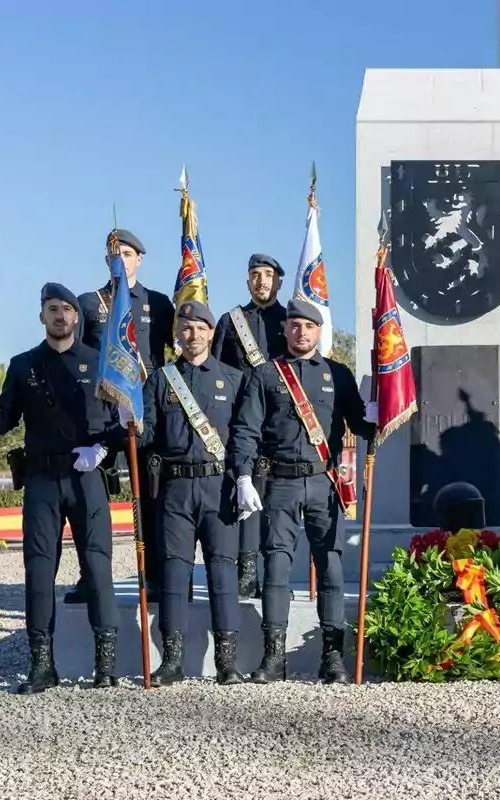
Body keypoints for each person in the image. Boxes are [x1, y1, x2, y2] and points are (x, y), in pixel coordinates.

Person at [228, 300, 378, 684]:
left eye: (308, 326)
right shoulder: (264, 375)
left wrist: (377, 416)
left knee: (330, 567)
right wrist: (243, 477)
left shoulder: (336, 373)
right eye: (294, 325)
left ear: (318, 331)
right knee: (276, 568)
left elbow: (359, 423)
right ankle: (273, 657)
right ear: (286, 329)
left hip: (323, 484)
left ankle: (333, 657)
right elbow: (245, 431)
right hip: (280, 483)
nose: (301, 332)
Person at [0, 282, 120, 694]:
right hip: (42, 480)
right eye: (51, 309)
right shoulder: (23, 365)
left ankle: (106, 665)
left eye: (66, 309)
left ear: (76, 318)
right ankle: (42, 665)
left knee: (98, 567)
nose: (60, 315)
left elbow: (123, 422)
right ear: (41, 316)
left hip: (86, 477)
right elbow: (2, 422)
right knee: (39, 570)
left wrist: (102, 451)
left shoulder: (100, 362)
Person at [140, 300, 248, 686]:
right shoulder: (160, 380)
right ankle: (171, 660)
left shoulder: (234, 379)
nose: (193, 335)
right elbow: (148, 433)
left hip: (218, 489)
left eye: (200, 328)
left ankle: (227, 662)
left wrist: (245, 478)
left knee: (222, 571)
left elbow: (244, 437)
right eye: (186, 328)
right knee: (174, 573)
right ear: (177, 334)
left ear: (211, 334)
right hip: (175, 490)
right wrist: (131, 423)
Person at [67, 229, 175, 605]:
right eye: (115, 252)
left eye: (128, 253)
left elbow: (170, 359)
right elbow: (78, 358)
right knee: (90, 502)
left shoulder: (159, 304)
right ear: (106, 258)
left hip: (145, 415)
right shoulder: (88, 302)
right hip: (100, 415)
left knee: (151, 499)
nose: (121, 258)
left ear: (139, 259)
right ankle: (91, 576)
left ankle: (156, 577)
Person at [212, 253, 289, 601]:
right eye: (255, 275)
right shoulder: (232, 322)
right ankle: (246, 570)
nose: (261, 281)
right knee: (244, 493)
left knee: (277, 501)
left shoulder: (291, 322)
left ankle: (274, 573)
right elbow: (216, 370)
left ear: (279, 281)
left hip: (282, 421)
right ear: (247, 281)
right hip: (242, 421)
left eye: (268, 275)